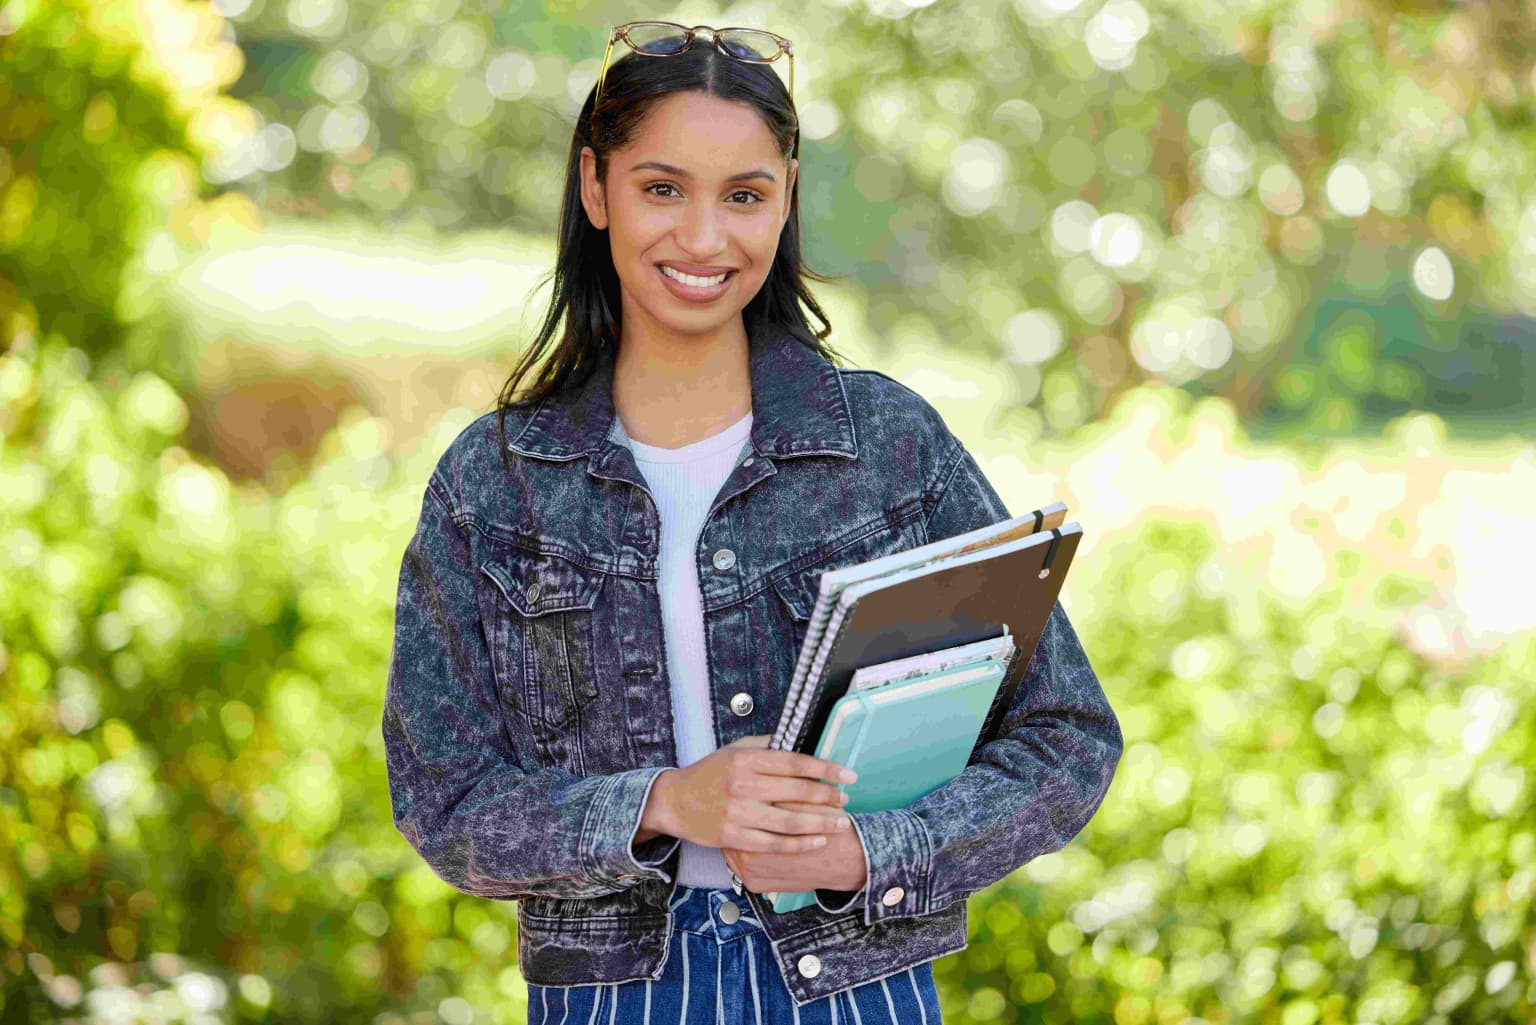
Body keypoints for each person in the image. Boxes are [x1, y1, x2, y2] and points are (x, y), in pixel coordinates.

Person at [381, 19, 1123, 1024]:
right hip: (616, 999)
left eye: (744, 195)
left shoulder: (889, 449)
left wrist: (873, 849)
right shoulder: (494, 481)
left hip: (853, 987)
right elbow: (447, 800)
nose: (703, 237)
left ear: (786, 200)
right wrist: (663, 803)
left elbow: (1067, 736)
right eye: (662, 187)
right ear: (596, 188)